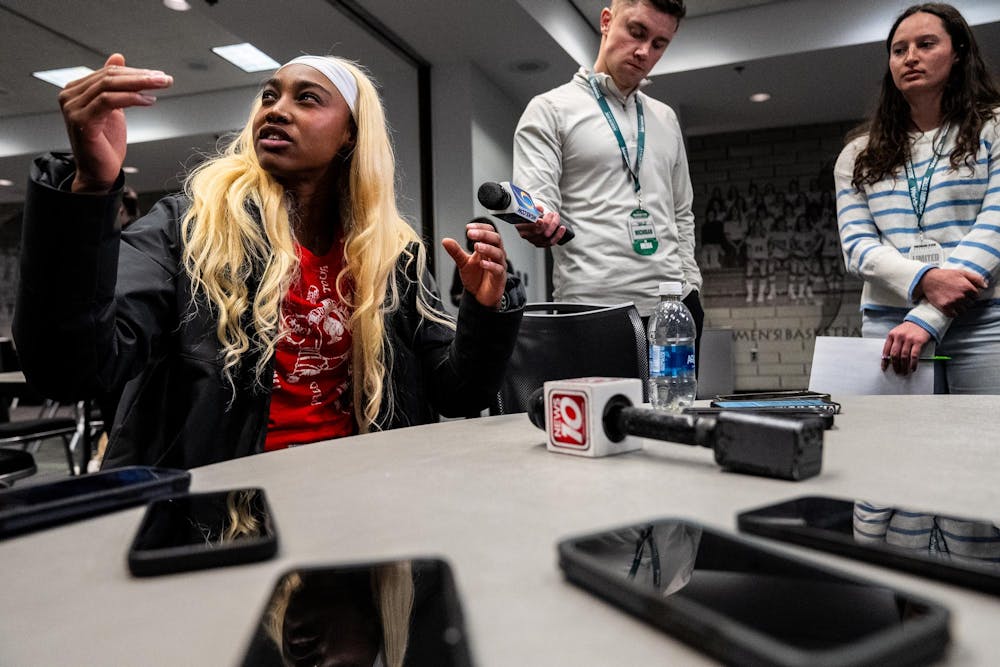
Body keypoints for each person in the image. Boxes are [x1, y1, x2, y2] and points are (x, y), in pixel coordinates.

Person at [13, 53, 525, 469]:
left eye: (307, 98)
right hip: (220, 520)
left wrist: (485, 312)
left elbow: (458, 393)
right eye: (269, 96)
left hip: (362, 497)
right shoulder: (190, 228)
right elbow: (70, 370)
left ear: (350, 134)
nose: (276, 110)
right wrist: (89, 190)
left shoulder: (391, 256)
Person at [512, 0, 703, 345]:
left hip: (672, 310)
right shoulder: (550, 110)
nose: (644, 52)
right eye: (637, 32)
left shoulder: (665, 118)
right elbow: (537, 200)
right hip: (589, 311)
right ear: (606, 21)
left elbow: (681, 213)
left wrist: (691, 288)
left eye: (659, 44)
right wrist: (539, 218)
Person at [834, 3, 1000, 392]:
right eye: (899, 50)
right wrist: (924, 279)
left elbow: (995, 225)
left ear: (958, 53)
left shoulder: (994, 128)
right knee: (900, 433)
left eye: (926, 44)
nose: (910, 57)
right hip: (890, 327)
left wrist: (928, 316)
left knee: (986, 431)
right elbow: (857, 247)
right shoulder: (858, 154)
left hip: (984, 320)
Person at [449, 217, 515, 308]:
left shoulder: (504, 264)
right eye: (473, 240)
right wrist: (473, 298)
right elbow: (454, 295)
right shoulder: (464, 264)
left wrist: (497, 299)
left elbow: (512, 296)